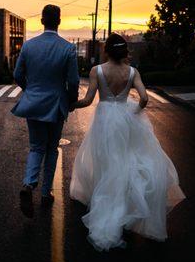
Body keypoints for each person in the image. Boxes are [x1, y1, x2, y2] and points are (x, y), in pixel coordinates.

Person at [69, 33, 185, 251]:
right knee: (126, 161)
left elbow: (87, 100)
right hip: (126, 118)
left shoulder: (97, 71)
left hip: (104, 119)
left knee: (107, 163)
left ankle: (109, 206)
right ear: (124, 51)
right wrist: (135, 113)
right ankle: (125, 206)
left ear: (107, 50)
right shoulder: (132, 72)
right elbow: (144, 98)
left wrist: (70, 104)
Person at [12, 4, 80, 218]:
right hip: (56, 105)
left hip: (33, 104)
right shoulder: (67, 48)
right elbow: (73, 81)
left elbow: (17, 74)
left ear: (42, 21)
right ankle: (45, 193)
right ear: (59, 21)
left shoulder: (28, 46)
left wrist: (29, 90)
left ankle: (29, 184)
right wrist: (70, 101)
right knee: (51, 149)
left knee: (36, 147)